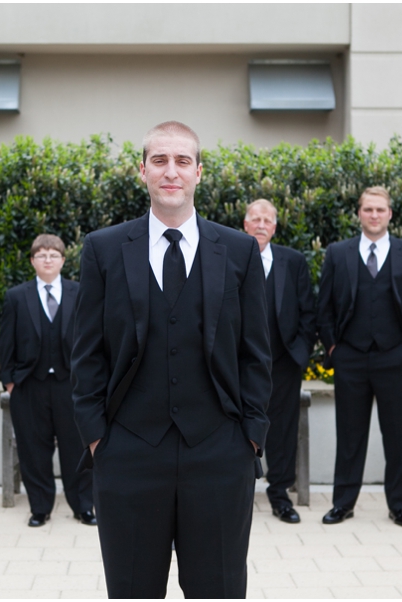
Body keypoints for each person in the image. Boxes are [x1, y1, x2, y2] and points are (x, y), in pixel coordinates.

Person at [71, 121, 271, 598]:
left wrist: (251, 439)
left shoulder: (239, 250)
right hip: (128, 454)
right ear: (142, 170)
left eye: (182, 161)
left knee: (219, 590)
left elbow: (257, 353)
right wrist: (99, 440)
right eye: (159, 160)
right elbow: (87, 353)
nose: (171, 171)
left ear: (199, 172)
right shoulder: (104, 249)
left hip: (220, 452)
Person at [317, 186, 402, 528]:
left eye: (380, 210)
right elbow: (323, 307)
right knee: (349, 435)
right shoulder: (338, 253)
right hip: (350, 358)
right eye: (368, 209)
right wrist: (333, 348)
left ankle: (398, 505)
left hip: (395, 358)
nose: (373, 215)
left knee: (397, 436)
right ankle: (343, 503)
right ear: (359, 213)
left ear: (390, 214)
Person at [0, 234, 95, 528]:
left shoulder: (80, 292)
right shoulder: (17, 296)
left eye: (54, 254)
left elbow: (92, 338)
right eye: (41, 254)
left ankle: (83, 505)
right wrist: (10, 382)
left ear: (64, 260)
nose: (48, 259)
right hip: (29, 386)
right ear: (32, 261)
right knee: (33, 448)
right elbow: (6, 342)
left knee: (75, 448)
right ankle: (40, 507)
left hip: (71, 386)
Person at [242, 198, 316, 524]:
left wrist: (300, 354)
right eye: (255, 219)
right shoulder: (229, 254)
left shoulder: (293, 261)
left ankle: (280, 494)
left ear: (275, 226)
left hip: (284, 362)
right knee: (240, 427)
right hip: (241, 363)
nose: (261, 224)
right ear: (245, 224)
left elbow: (308, 312)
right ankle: (240, 490)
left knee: (284, 429)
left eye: (267, 220)